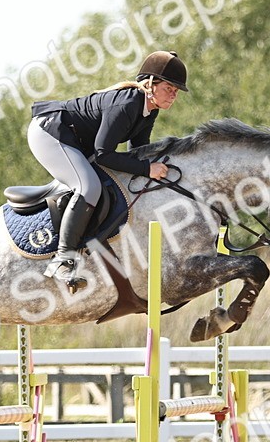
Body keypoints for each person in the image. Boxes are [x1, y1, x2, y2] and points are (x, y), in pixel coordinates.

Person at [27, 50, 188, 282]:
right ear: (150, 84)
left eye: (175, 92)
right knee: (89, 187)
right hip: (50, 131)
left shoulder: (149, 110)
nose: (173, 96)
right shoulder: (129, 102)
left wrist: (154, 167)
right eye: (168, 89)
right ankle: (63, 260)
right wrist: (146, 169)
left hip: (73, 140)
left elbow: (138, 150)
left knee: (109, 182)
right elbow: (103, 154)